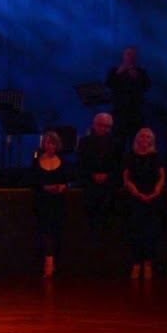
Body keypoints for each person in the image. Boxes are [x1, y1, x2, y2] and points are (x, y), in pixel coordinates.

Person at [76, 112, 122, 258]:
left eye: (108, 126)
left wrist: (108, 176)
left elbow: (120, 166)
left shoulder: (116, 143)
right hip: (90, 188)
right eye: (102, 125)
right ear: (95, 125)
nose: (105, 129)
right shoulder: (84, 142)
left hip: (109, 190)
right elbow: (79, 165)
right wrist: (92, 175)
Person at [123, 128, 166, 279]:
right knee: (136, 232)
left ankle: (148, 264)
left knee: (151, 232)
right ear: (137, 139)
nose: (145, 139)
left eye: (148, 137)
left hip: (153, 198)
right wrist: (137, 193)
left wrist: (155, 192)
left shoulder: (157, 157)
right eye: (142, 136)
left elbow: (161, 177)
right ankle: (136, 263)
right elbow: (127, 178)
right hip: (136, 198)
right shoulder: (131, 156)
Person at [32, 130, 69, 278]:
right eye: (47, 142)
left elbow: (68, 180)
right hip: (43, 202)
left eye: (52, 143)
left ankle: (56, 263)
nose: (50, 146)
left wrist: (63, 186)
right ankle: (48, 261)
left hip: (58, 202)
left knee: (57, 232)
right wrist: (46, 187)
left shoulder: (63, 162)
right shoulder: (37, 161)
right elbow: (33, 182)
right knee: (44, 231)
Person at [105, 46, 151, 141]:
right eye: (128, 54)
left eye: (133, 55)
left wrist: (136, 77)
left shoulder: (141, 72)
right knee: (118, 141)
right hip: (119, 113)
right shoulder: (114, 71)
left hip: (136, 113)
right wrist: (119, 72)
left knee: (135, 140)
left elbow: (147, 86)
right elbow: (108, 84)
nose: (130, 57)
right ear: (123, 56)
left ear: (136, 57)